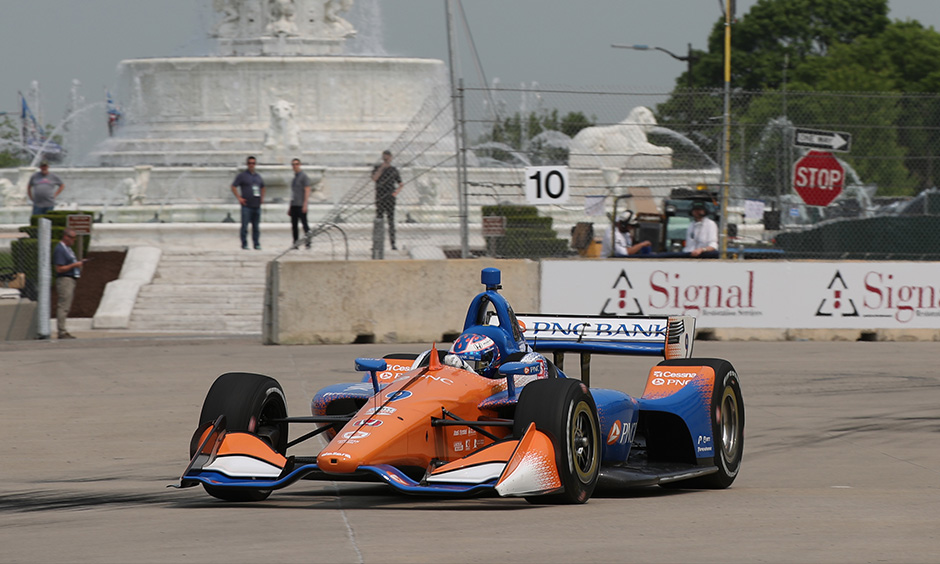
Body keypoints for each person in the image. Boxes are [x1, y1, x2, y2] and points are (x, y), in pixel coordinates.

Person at [53, 229, 86, 339]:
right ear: (65, 237)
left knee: (66, 305)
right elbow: (59, 268)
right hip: (64, 279)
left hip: (71, 279)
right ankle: (61, 331)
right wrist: (74, 265)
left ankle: (63, 330)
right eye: (72, 238)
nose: (74, 240)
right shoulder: (60, 249)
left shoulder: (67, 249)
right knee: (63, 305)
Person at [231, 156, 265, 250]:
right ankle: (244, 243)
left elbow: (262, 187)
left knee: (256, 227)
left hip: (256, 205)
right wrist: (239, 198)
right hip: (246, 205)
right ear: (247, 164)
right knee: (245, 226)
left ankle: (256, 243)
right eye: (250, 163)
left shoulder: (258, 176)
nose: (251, 165)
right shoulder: (242, 176)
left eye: (253, 163)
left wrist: (262, 198)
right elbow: (233, 186)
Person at [371, 150, 403, 250]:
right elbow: (374, 178)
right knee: (379, 220)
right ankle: (376, 244)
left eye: (388, 157)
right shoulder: (377, 168)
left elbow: (401, 184)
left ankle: (393, 243)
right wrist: (382, 168)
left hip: (390, 198)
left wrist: (395, 193)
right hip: (380, 197)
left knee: (391, 221)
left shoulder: (393, 170)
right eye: (385, 157)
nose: (387, 159)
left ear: (391, 158)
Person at [288, 158, 312, 249]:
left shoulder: (304, 176)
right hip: (294, 204)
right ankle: (295, 243)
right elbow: (293, 194)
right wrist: (290, 206)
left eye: (296, 164)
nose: (295, 166)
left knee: (305, 224)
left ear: (299, 165)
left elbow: (307, 190)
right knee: (294, 225)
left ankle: (308, 242)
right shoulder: (294, 178)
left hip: (301, 205)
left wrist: (305, 204)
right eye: (293, 164)